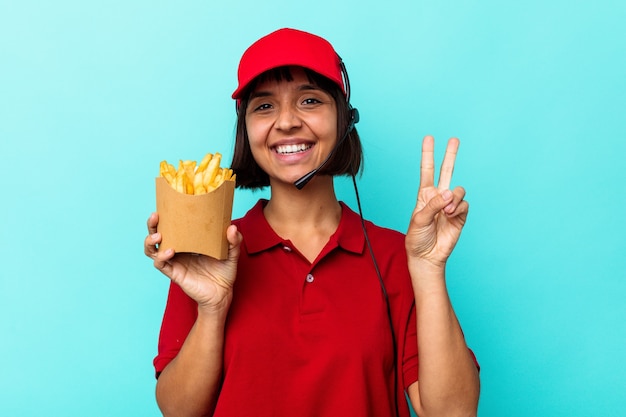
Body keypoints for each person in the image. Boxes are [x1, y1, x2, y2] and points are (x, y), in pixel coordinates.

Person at [144, 28, 480, 417]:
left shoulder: (396, 254)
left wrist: (428, 268)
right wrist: (212, 308)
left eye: (309, 100)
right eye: (264, 106)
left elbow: (453, 413)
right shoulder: (210, 251)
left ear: (344, 119)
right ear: (246, 130)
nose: (286, 122)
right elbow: (178, 411)